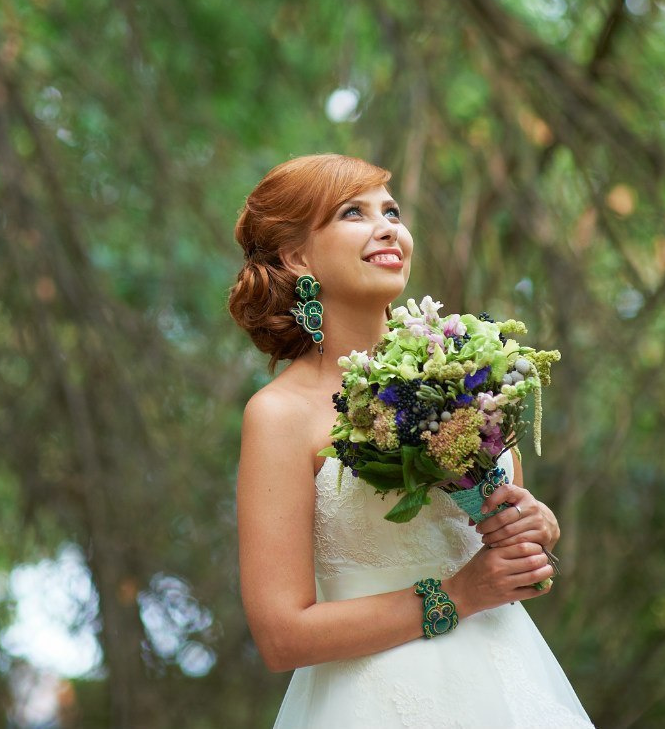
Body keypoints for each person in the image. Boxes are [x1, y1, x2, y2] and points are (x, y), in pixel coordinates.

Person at [229, 154, 593, 728]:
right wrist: (456, 596)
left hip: (509, 685)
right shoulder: (280, 415)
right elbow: (281, 634)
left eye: (392, 211)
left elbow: (500, 545)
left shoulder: (471, 375)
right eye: (354, 212)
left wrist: (534, 527)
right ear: (298, 256)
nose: (388, 227)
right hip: (371, 701)